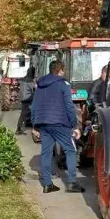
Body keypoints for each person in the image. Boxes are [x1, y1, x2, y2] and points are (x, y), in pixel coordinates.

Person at [31, 61, 84, 194]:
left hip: (43, 123)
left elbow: (35, 105)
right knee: (70, 150)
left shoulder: (40, 85)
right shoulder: (63, 84)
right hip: (60, 123)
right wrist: (74, 125)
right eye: (63, 70)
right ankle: (72, 183)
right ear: (60, 70)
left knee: (46, 153)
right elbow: (69, 106)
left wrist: (34, 125)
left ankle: (47, 184)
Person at [15, 65, 36, 135]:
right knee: (33, 110)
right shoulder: (31, 81)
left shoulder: (22, 79)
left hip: (22, 98)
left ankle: (19, 128)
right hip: (28, 98)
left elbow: (17, 84)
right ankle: (34, 127)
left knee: (23, 113)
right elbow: (35, 88)